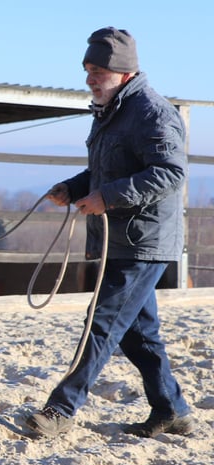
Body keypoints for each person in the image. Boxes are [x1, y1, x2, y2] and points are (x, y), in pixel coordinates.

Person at [26, 27, 195, 438]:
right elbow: (106, 171)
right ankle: (172, 410)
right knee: (139, 334)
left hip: (144, 241)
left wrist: (108, 197)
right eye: (87, 70)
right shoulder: (113, 111)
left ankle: (61, 409)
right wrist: (74, 188)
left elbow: (170, 172)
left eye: (97, 71)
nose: (89, 79)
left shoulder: (152, 113)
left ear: (123, 72)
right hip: (122, 238)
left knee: (101, 322)